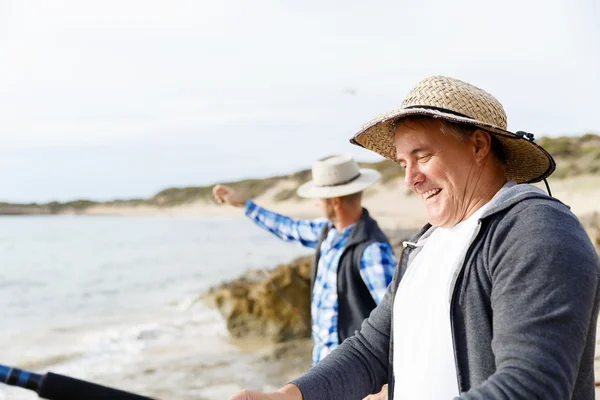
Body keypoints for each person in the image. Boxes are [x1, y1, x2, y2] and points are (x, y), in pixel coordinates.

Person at [228, 76, 600, 400]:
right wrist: (291, 395)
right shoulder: (425, 243)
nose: (410, 180)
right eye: (404, 164)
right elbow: (371, 350)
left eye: (423, 156)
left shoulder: (536, 229)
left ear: (478, 145)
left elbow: (532, 387)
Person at [212, 154, 397, 369]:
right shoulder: (327, 232)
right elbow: (288, 228)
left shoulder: (371, 251)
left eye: (319, 197)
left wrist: (385, 383)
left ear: (335, 201)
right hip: (325, 367)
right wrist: (244, 205)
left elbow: (397, 319)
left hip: (354, 373)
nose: (317, 204)